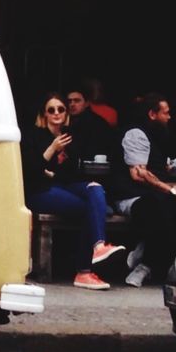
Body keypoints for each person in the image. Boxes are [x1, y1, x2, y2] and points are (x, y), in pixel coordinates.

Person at [21, 92, 125, 290]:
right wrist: (52, 149)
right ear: (44, 115)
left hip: (62, 186)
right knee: (92, 209)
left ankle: (98, 247)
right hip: (39, 191)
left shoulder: (70, 137)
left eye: (61, 109)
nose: (56, 113)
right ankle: (84, 271)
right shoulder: (33, 136)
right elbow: (31, 172)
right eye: (51, 110)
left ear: (66, 113)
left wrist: (55, 168)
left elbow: (71, 174)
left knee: (95, 189)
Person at [109, 92, 176, 286]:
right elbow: (139, 174)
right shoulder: (136, 134)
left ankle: (145, 258)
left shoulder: (155, 136)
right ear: (152, 114)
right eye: (166, 113)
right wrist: (170, 189)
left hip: (152, 196)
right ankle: (145, 266)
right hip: (131, 196)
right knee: (157, 209)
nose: (169, 117)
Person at [64, 83, 118, 164]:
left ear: (87, 103)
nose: (72, 104)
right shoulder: (65, 120)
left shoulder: (97, 124)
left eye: (77, 101)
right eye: (69, 101)